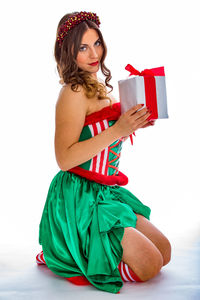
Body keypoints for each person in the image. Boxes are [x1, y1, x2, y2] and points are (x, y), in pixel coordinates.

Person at [36, 11, 171, 294]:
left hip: (105, 191)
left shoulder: (100, 87)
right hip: (79, 196)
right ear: (67, 52)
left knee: (164, 252)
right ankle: (73, 253)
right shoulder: (72, 92)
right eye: (83, 47)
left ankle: (89, 250)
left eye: (97, 43)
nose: (94, 53)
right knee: (148, 266)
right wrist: (117, 130)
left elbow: (103, 135)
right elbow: (64, 159)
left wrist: (133, 124)